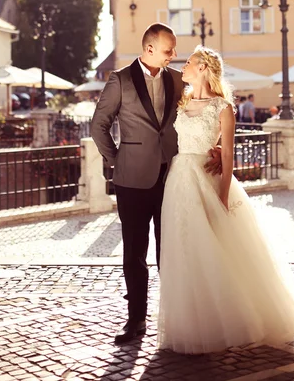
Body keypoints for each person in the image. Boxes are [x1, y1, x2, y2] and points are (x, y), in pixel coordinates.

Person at [157, 46, 294, 354]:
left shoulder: (223, 107)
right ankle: (191, 320)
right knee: (184, 246)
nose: (183, 66)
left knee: (218, 245)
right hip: (179, 178)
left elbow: (227, 153)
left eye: (188, 62)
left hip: (207, 178)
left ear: (202, 68)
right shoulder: (181, 102)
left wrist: (223, 195)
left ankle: (238, 315)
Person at [91, 24, 221, 344]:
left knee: (171, 250)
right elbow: (99, 125)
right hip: (131, 181)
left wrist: (213, 146)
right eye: (168, 50)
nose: (174, 56)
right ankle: (136, 319)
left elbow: (198, 115)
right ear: (149, 48)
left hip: (171, 178)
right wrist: (116, 159)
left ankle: (176, 317)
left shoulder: (177, 80)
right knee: (135, 252)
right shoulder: (119, 80)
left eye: (175, 50)